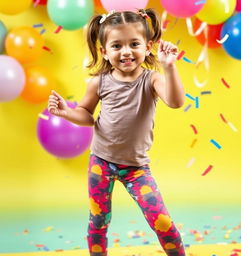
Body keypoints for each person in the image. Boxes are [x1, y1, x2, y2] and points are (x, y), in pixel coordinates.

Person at [48, 8, 186, 256]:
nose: (126, 52)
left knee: (162, 222)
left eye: (134, 44)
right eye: (116, 46)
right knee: (98, 221)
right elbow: (86, 115)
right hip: (100, 163)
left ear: (148, 46)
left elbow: (176, 102)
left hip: (136, 168)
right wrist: (66, 112)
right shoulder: (99, 81)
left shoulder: (151, 80)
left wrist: (170, 67)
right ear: (104, 51)